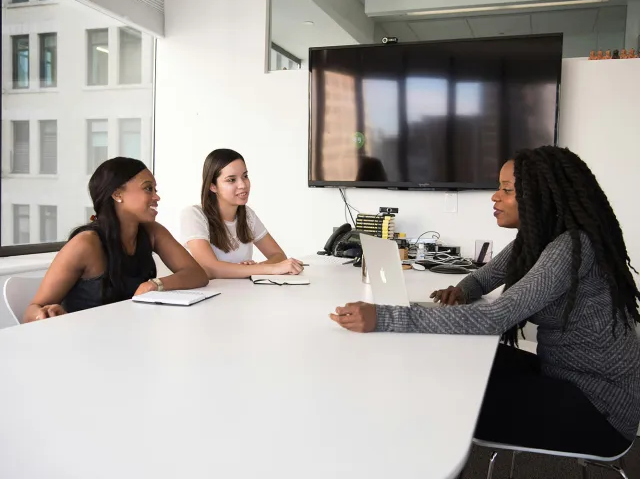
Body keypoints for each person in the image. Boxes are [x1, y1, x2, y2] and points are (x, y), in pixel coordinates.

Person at [330, 146, 640, 456]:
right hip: (562, 374)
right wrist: (463, 290)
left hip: (599, 409)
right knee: (455, 362)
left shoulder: (571, 246)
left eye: (507, 190)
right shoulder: (535, 242)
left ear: (541, 195)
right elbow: (482, 278)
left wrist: (384, 317)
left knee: (442, 396)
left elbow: (496, 317)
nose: (495, 197)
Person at [24, 157, 209, 322]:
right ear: (117, 194)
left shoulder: (152, 232)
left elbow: (197, 274)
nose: (156, 196)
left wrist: (155, 285)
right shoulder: (86, 244)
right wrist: (45, 314)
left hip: (130, 337)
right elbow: (31, 312)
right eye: (148, 188)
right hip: (87, 345)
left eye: (155, 189)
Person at [181, 148, 303, 279]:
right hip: (211, 296)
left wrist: (252, 269)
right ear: (213, 186)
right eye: (231, 180)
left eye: (245, 176)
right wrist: (265, 269)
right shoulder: (194, 215)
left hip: (243, 294)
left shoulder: (247, 215)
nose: (243, 185)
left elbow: (278, 255)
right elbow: (210, 268)